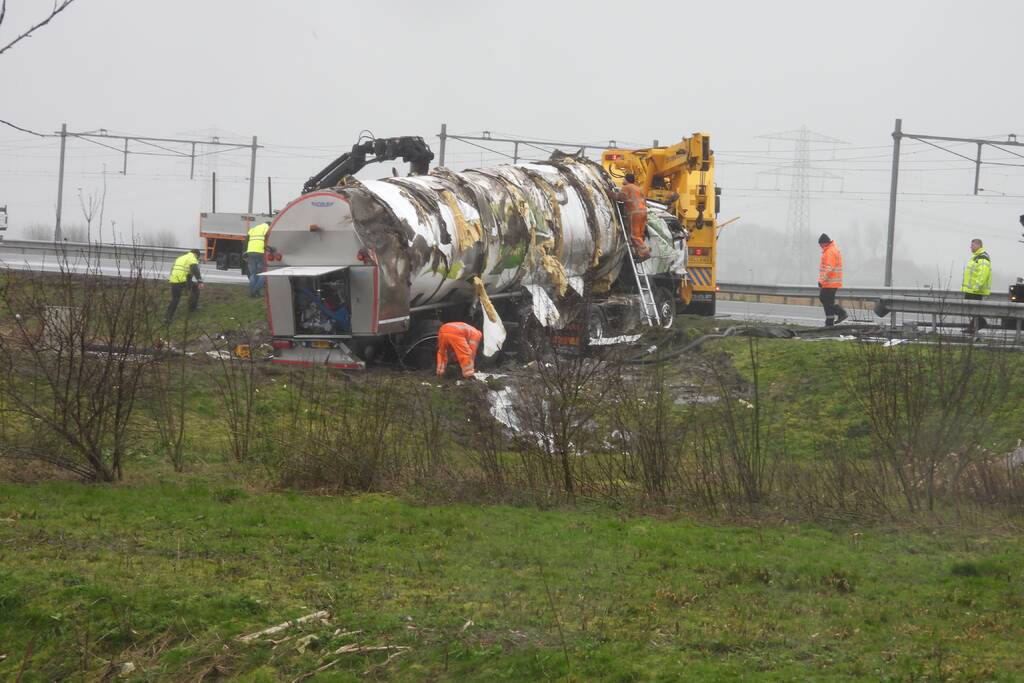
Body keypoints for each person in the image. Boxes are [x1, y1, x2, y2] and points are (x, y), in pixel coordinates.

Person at [614, 173, 650, 260]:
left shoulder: (627, 187)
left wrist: (608, 193)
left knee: (634, 235)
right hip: (643, 212)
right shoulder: (638, 189)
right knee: (640, 234)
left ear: (626, 179)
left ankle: (644, 253)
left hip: (635, 213)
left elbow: (620, 197)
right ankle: (639, 253)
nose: (623, 180)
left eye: (624, 178)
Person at [165, 248, 204, 324]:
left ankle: (167, 318)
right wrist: (200, 281)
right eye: (198, 257)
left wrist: (171, 278)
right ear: (196, 254)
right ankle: (192, 308)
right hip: (182, 280)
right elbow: (194, 269)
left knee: (175, 298)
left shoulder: (181, 257)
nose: (197, 259)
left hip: (174, 279)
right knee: (195, 289)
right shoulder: (192, 257)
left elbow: (174, 268)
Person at [961, 237, 992, 334]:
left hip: (976, 290)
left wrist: (976, 287)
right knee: (971, 310)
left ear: (979, 245)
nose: (970, 247)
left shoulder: (982, 257)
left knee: (973, 310)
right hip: (971, 290)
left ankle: (977, 325)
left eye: (973, 245)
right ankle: (973, 327)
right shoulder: (976, 256)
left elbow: (983, 273)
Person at [817, 233, 847, 326]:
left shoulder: (829, 251)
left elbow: (828, 268)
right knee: (827, 301)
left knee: (825, 300)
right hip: (832, 283)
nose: (820, 247)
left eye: (821, 245)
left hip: (830, 282)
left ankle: (841, 313)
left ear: (824, 243)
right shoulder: (832, 250)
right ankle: (830, 322)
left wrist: (821, 280)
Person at [246, 222, 270, 297]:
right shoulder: (266, 227)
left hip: (250, 251)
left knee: (253, 273)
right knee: (262, 273)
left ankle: (252, 293)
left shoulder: (254, 228)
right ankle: (255, 290)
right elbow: (267, 238)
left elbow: (247, 239)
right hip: (260, 252)